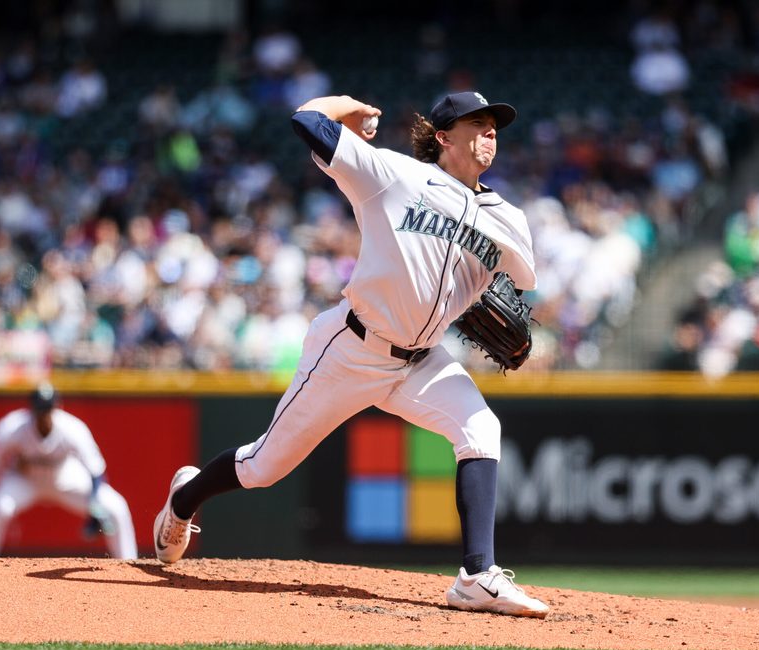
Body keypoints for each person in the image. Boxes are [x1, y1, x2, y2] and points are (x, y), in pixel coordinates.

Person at [153, 91, 549, 618]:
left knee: (482, 431)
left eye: (495, 125)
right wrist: (346, 106)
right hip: (352, 349)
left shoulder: (509, 219)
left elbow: (520, 285)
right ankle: (184, 500)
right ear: (443, 136)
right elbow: (307, 121)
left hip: (422, 360)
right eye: (477, 124)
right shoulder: (393, 174)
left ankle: (477, 576)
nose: (490, 133)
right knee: (263, 466)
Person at [0, 383, 137, 559]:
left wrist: (95, 503)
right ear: (31, 410)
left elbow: (96, 470)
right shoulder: (15, 425)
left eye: (47, 410)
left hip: (64, 476)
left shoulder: (71, 427)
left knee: (116, 507)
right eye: (40, 410)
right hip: (25, 480)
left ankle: (128, 565)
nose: (43, 416)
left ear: (56, 408)